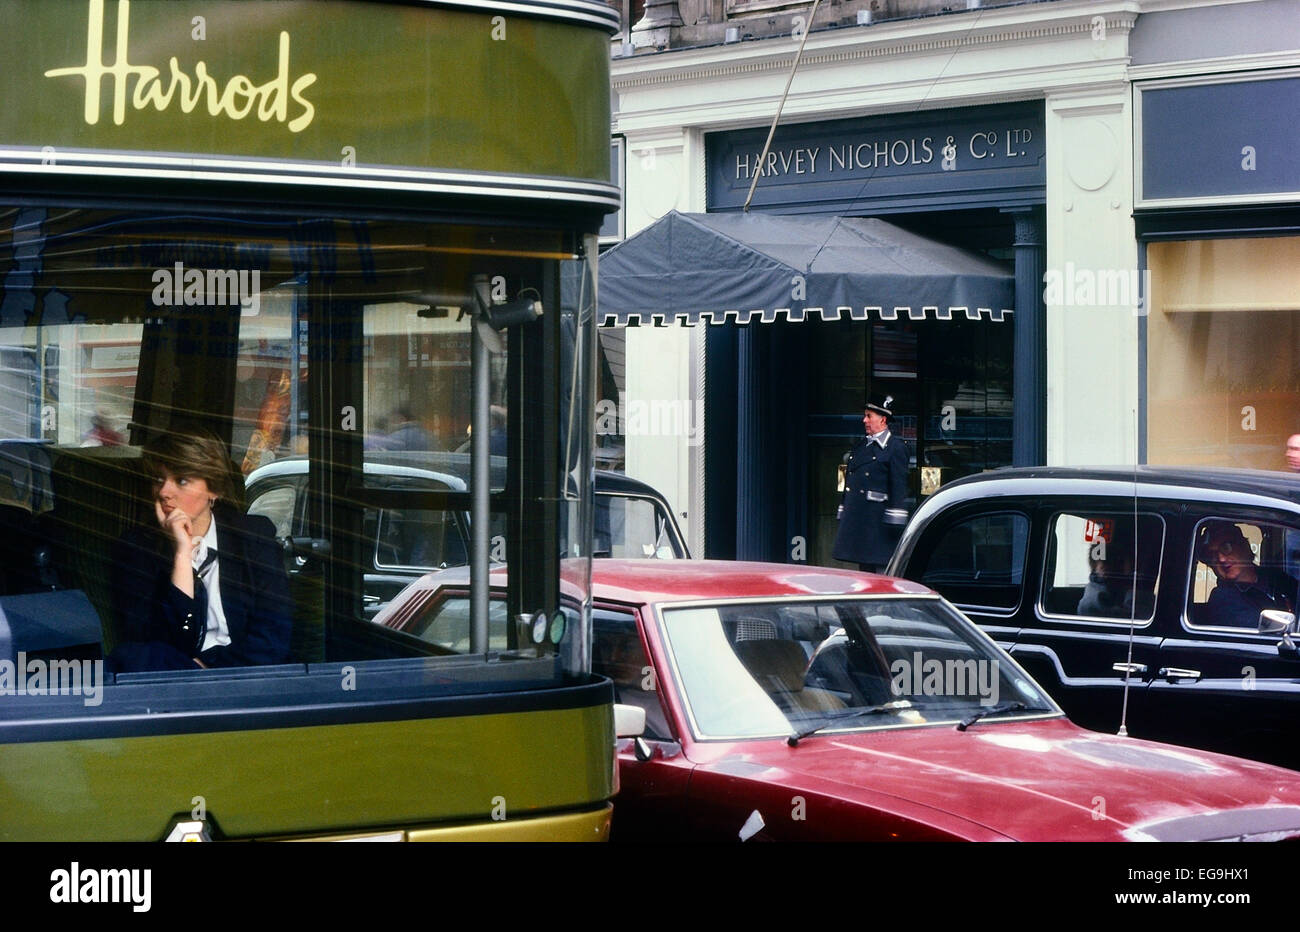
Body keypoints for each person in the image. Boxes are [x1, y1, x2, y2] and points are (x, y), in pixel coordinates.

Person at [109, 428, 292, 672]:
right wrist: (182, 556)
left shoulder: (253, 538)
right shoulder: (136, 548)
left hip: (243, 678)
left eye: (182, 480)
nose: (164, 492)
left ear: (213, 490)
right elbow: (158, 645)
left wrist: (209, 669)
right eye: (158, 480)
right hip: (172, 682)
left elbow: (273, 637)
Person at [832, 394, 908, 573]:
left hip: (880, 525)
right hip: (861, 521)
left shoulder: (895, 447)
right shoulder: (860, 446)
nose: (864, 420)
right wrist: (845, 510)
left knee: (883, 574)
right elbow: (850, 483)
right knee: (865, 573)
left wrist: (895, 522)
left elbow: (899, 486)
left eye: (869, 416)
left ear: (882, 419)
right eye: (865, 415)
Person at [1198, 521, 1297, 629]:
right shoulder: (1222, 598)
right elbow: (1267, 633)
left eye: (1226, 548)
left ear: (1244, 546)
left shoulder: (1274, 577)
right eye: (1212, 555)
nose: (1221, 559)